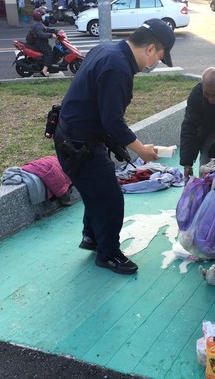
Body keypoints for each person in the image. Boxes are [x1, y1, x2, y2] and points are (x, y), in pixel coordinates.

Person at [54, 18, 175, 275]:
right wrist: (141, 150)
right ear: (151, 48)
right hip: (80, 145)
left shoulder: (106, 49)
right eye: (159, 58)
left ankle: (92, 238)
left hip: (70, 137)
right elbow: (112, 120)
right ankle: (108, 255)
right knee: (110, 199)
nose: (154, 64)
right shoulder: (119, 67)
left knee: (94, 191)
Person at [29, 7, 57, 77]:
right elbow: (41, 34)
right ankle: (44, 70)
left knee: (48, 50)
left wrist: (55, 30)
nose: (43, 16)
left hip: (40, 42)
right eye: (42, 15)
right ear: (38, 16)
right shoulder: (37, 25)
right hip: (39, 43)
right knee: (49, 52)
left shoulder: (38, 23)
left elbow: (45, 30)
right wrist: (51, 35)